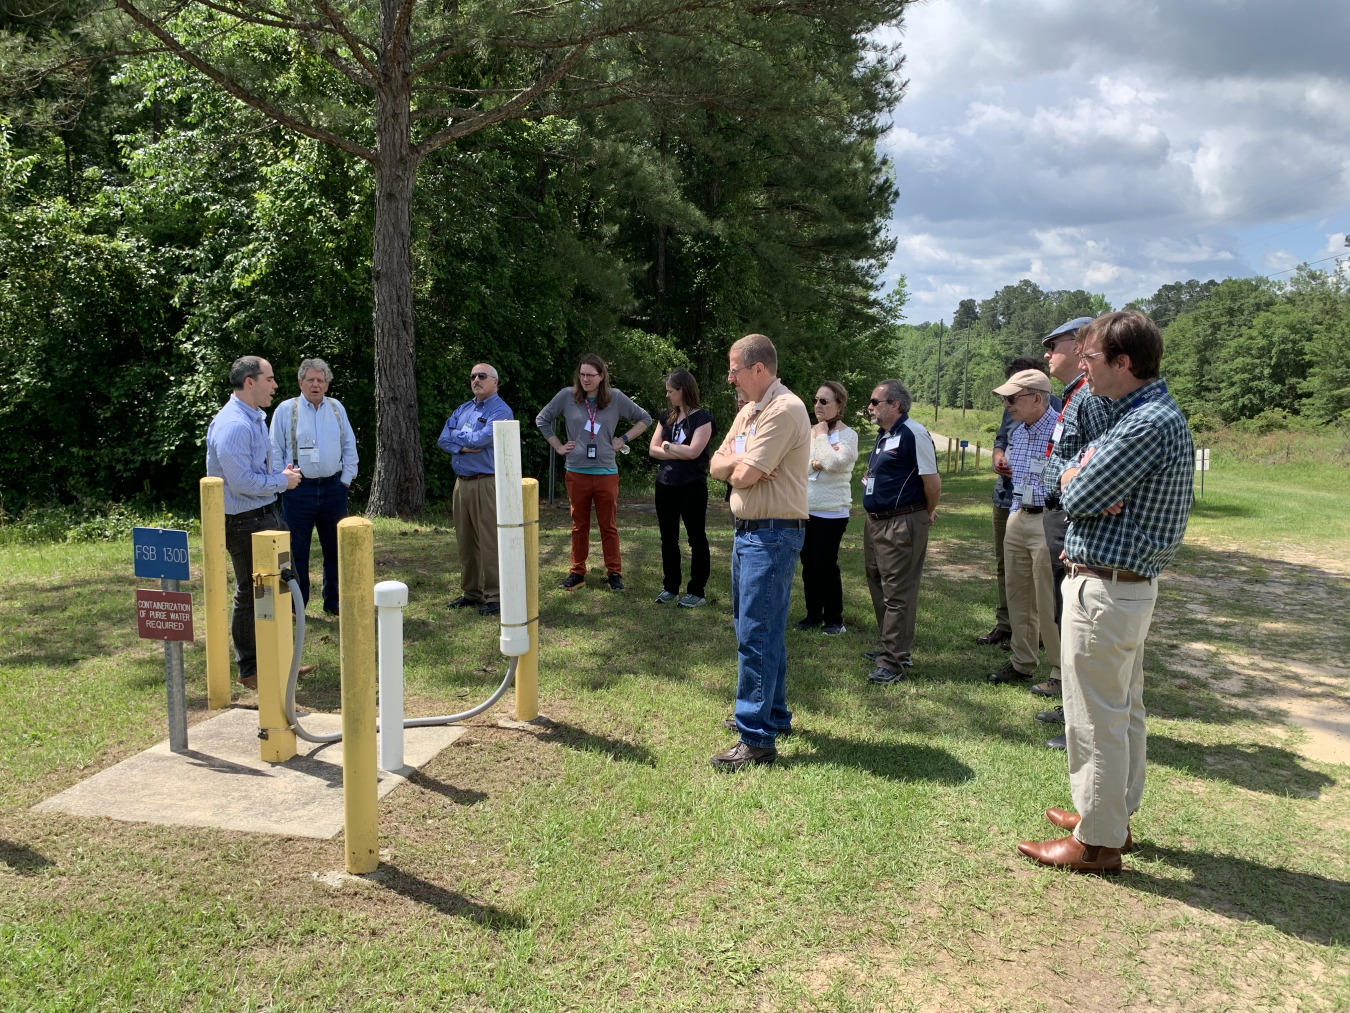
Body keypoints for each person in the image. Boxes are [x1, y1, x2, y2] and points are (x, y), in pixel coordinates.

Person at [1017, 310, 1194, 874]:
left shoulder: (1145, 425)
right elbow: (1070, 475)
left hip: (1108, 591)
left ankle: (1097, 842)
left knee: (1096, 716)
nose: (1084, 367)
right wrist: (1078, 474)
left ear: (1124, 362)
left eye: (1092, 358)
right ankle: (1109, 816)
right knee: (1122, 711)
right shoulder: (1137, 413)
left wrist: (1079, 479)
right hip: (1119, 589)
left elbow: (1078, 492)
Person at [708, 334, 811, 770]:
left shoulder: (785, 409)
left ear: (757, 369)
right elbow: (715, 464)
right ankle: (772, 714)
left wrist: (740, 463)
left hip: (771, 535)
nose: (729, 377)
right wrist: (739, 463)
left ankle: (756, 738)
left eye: (733, 369)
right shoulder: (752, 410)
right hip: (750, 533)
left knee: (756, 632)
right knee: (758, 627)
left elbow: (744, 474)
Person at [1035, 317, 1112, 741]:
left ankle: (1081, 720)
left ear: (1081, 345)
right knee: (1066, 615)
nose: (1048, 353)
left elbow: (1098, 466)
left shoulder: (1093, 398)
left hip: (1073, 517)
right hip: (1060, 512)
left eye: (1054, 344)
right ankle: (1071, 706)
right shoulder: (1074, 397)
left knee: (1079, 621)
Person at [206, 356, 302, 691]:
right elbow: (242, 482)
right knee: (252, 593)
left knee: (279, 587)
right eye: (270, 379)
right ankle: (249, 670)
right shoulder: (234, 424)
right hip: (243, 522)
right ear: (251, 382)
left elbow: (255, 474)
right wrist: (282, 481)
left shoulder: (254, 418)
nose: (275, 385)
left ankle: (278, 661)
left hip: (264, 516)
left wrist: (278, 478)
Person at [536, 354, 652, 591]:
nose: (585, 379)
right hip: (576, 471)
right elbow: (542, 419)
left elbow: (645, 418)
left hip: (606, 472)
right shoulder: (567, 397)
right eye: (582, 374)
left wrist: (624, 439)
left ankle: (614, 573)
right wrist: (558, 446)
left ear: (601, 377)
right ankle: (577, 572)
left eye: (591, 375)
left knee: (608, 525)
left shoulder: (615, 398)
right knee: (579, 525)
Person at [984, 369, 1061, 695]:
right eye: (1004, 399)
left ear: (1036, 398)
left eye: (1012, 399)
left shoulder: (1062, 430)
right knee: (1018, 595)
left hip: (1047, 518)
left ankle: (1059, 672)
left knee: (1048, 600)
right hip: (1019, 514)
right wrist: (1016, 511)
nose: (1007, 405)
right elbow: (1019, 479)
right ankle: (1021, 662)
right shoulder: (1018, 432)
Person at [860, 380, 941, 685]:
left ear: (895, 405)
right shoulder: (884, 435)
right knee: (879, 583)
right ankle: (893, 648)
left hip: (901, 522)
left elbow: (932, 484)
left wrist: (925, 511)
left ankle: (892, 661)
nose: (870, 407)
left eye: (875, 401)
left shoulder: (913, 433)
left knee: (898, 590)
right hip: (876, 521)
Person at [268, 358, 358, 617]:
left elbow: (349, 445)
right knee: (296, 550)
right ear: (300, 383)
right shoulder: (287, 409)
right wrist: (281, 480)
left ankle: (335, 602)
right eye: (310, 380)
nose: (316, 385)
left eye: (320, 380)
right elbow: (274, 449)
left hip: (333, 488)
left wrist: (346, 480)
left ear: (327, 384)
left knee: (336, 548)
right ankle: (296, 607)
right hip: (298, 489)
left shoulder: (337, 408)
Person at [437, 363, 514, 616]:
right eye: (472, 376)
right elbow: (442, 439)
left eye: (482, 376)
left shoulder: (501, 410)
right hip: (462, 483)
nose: (476, 380)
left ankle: (495, 596)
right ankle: (472, 592)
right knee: (465, 542)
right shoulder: (464, 408)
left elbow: (482, 440)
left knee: (489, 540)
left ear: (495, 382)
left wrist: (457, 438)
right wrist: (463, 445)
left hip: (486, 483)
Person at [648, 370, 715, 608]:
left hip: (691, 485)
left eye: (671, 391)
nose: (667, 395)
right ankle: (670, 587)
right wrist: (674, 448)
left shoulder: (703, 418)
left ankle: (696, 590)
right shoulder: (666, 416)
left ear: (683, 390)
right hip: (665, 484)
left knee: (696, 537)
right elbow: (652, 449)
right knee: (668, 538)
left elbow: (694, 452)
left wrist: (666, 446)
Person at [796, 381, 859, 635]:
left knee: (825, 565)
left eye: (824, 401)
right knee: (809, 566)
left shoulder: (848, 435)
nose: (817, 406)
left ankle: (834, 619)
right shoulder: (807, 431)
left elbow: (835, 464)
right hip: (805, 509)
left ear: (839, 405)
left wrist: (822, 438)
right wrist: (816, 462)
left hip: (832, 511)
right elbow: (798, 467)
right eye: (815, 400)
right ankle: (813, 615)